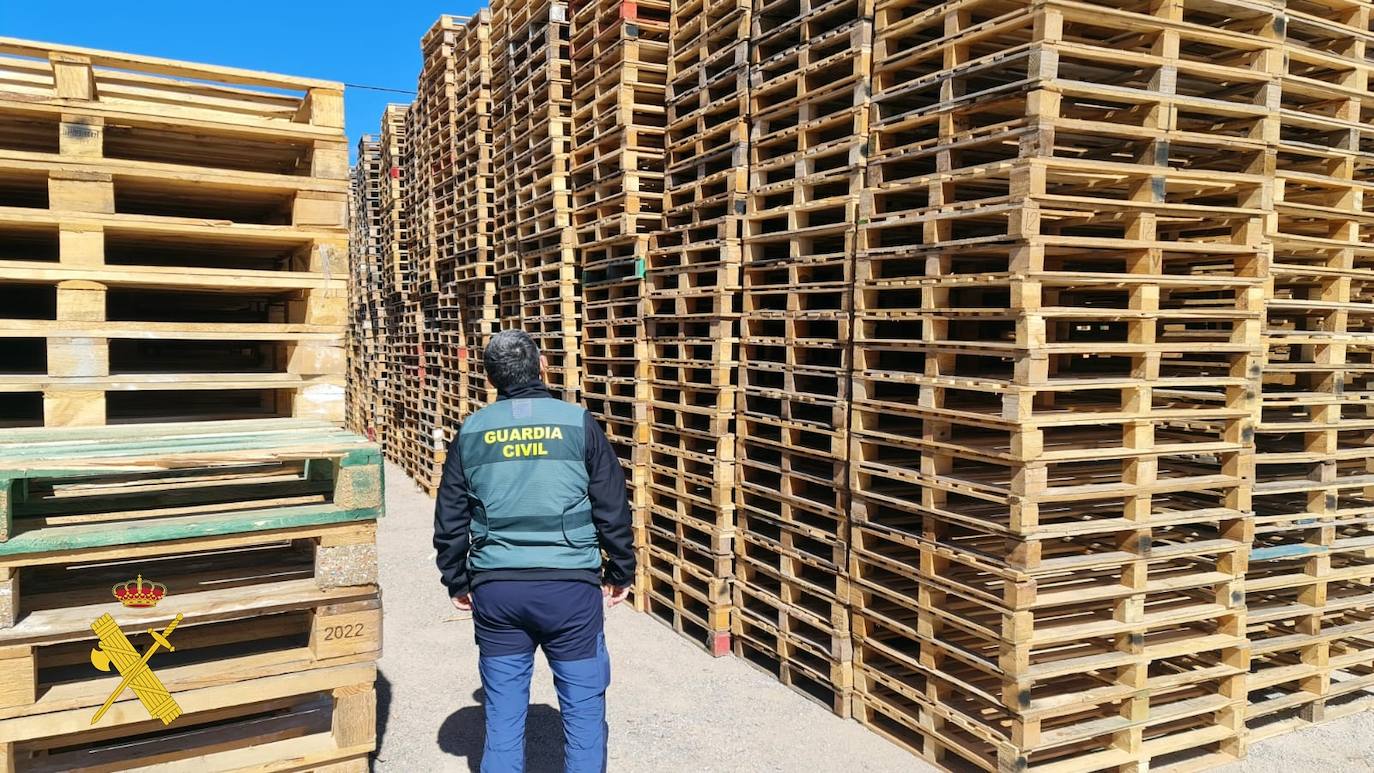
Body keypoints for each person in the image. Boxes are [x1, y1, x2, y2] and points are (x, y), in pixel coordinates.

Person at [434, 329, 636, 773]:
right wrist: (621, 570)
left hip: (498, 591)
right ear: (542, 366)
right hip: (570, 592)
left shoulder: (472, 431)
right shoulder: (577, 422)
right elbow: (611, 504)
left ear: (491, 378)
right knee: (583, 714)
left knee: (503, 718)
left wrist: (457, 578)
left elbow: (450, 515)